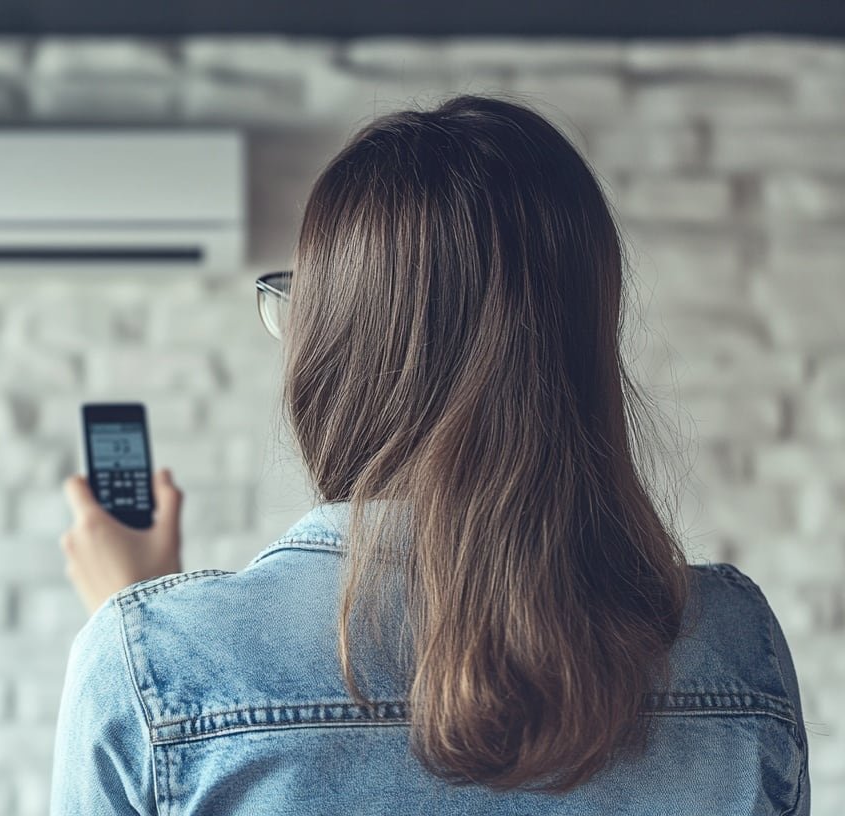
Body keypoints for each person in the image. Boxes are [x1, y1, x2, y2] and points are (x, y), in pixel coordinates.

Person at [49, 94, 809, 815]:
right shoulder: (734, 647)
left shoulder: (154, 669)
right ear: (581, 345)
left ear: (331, 347)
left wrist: (142, 631)